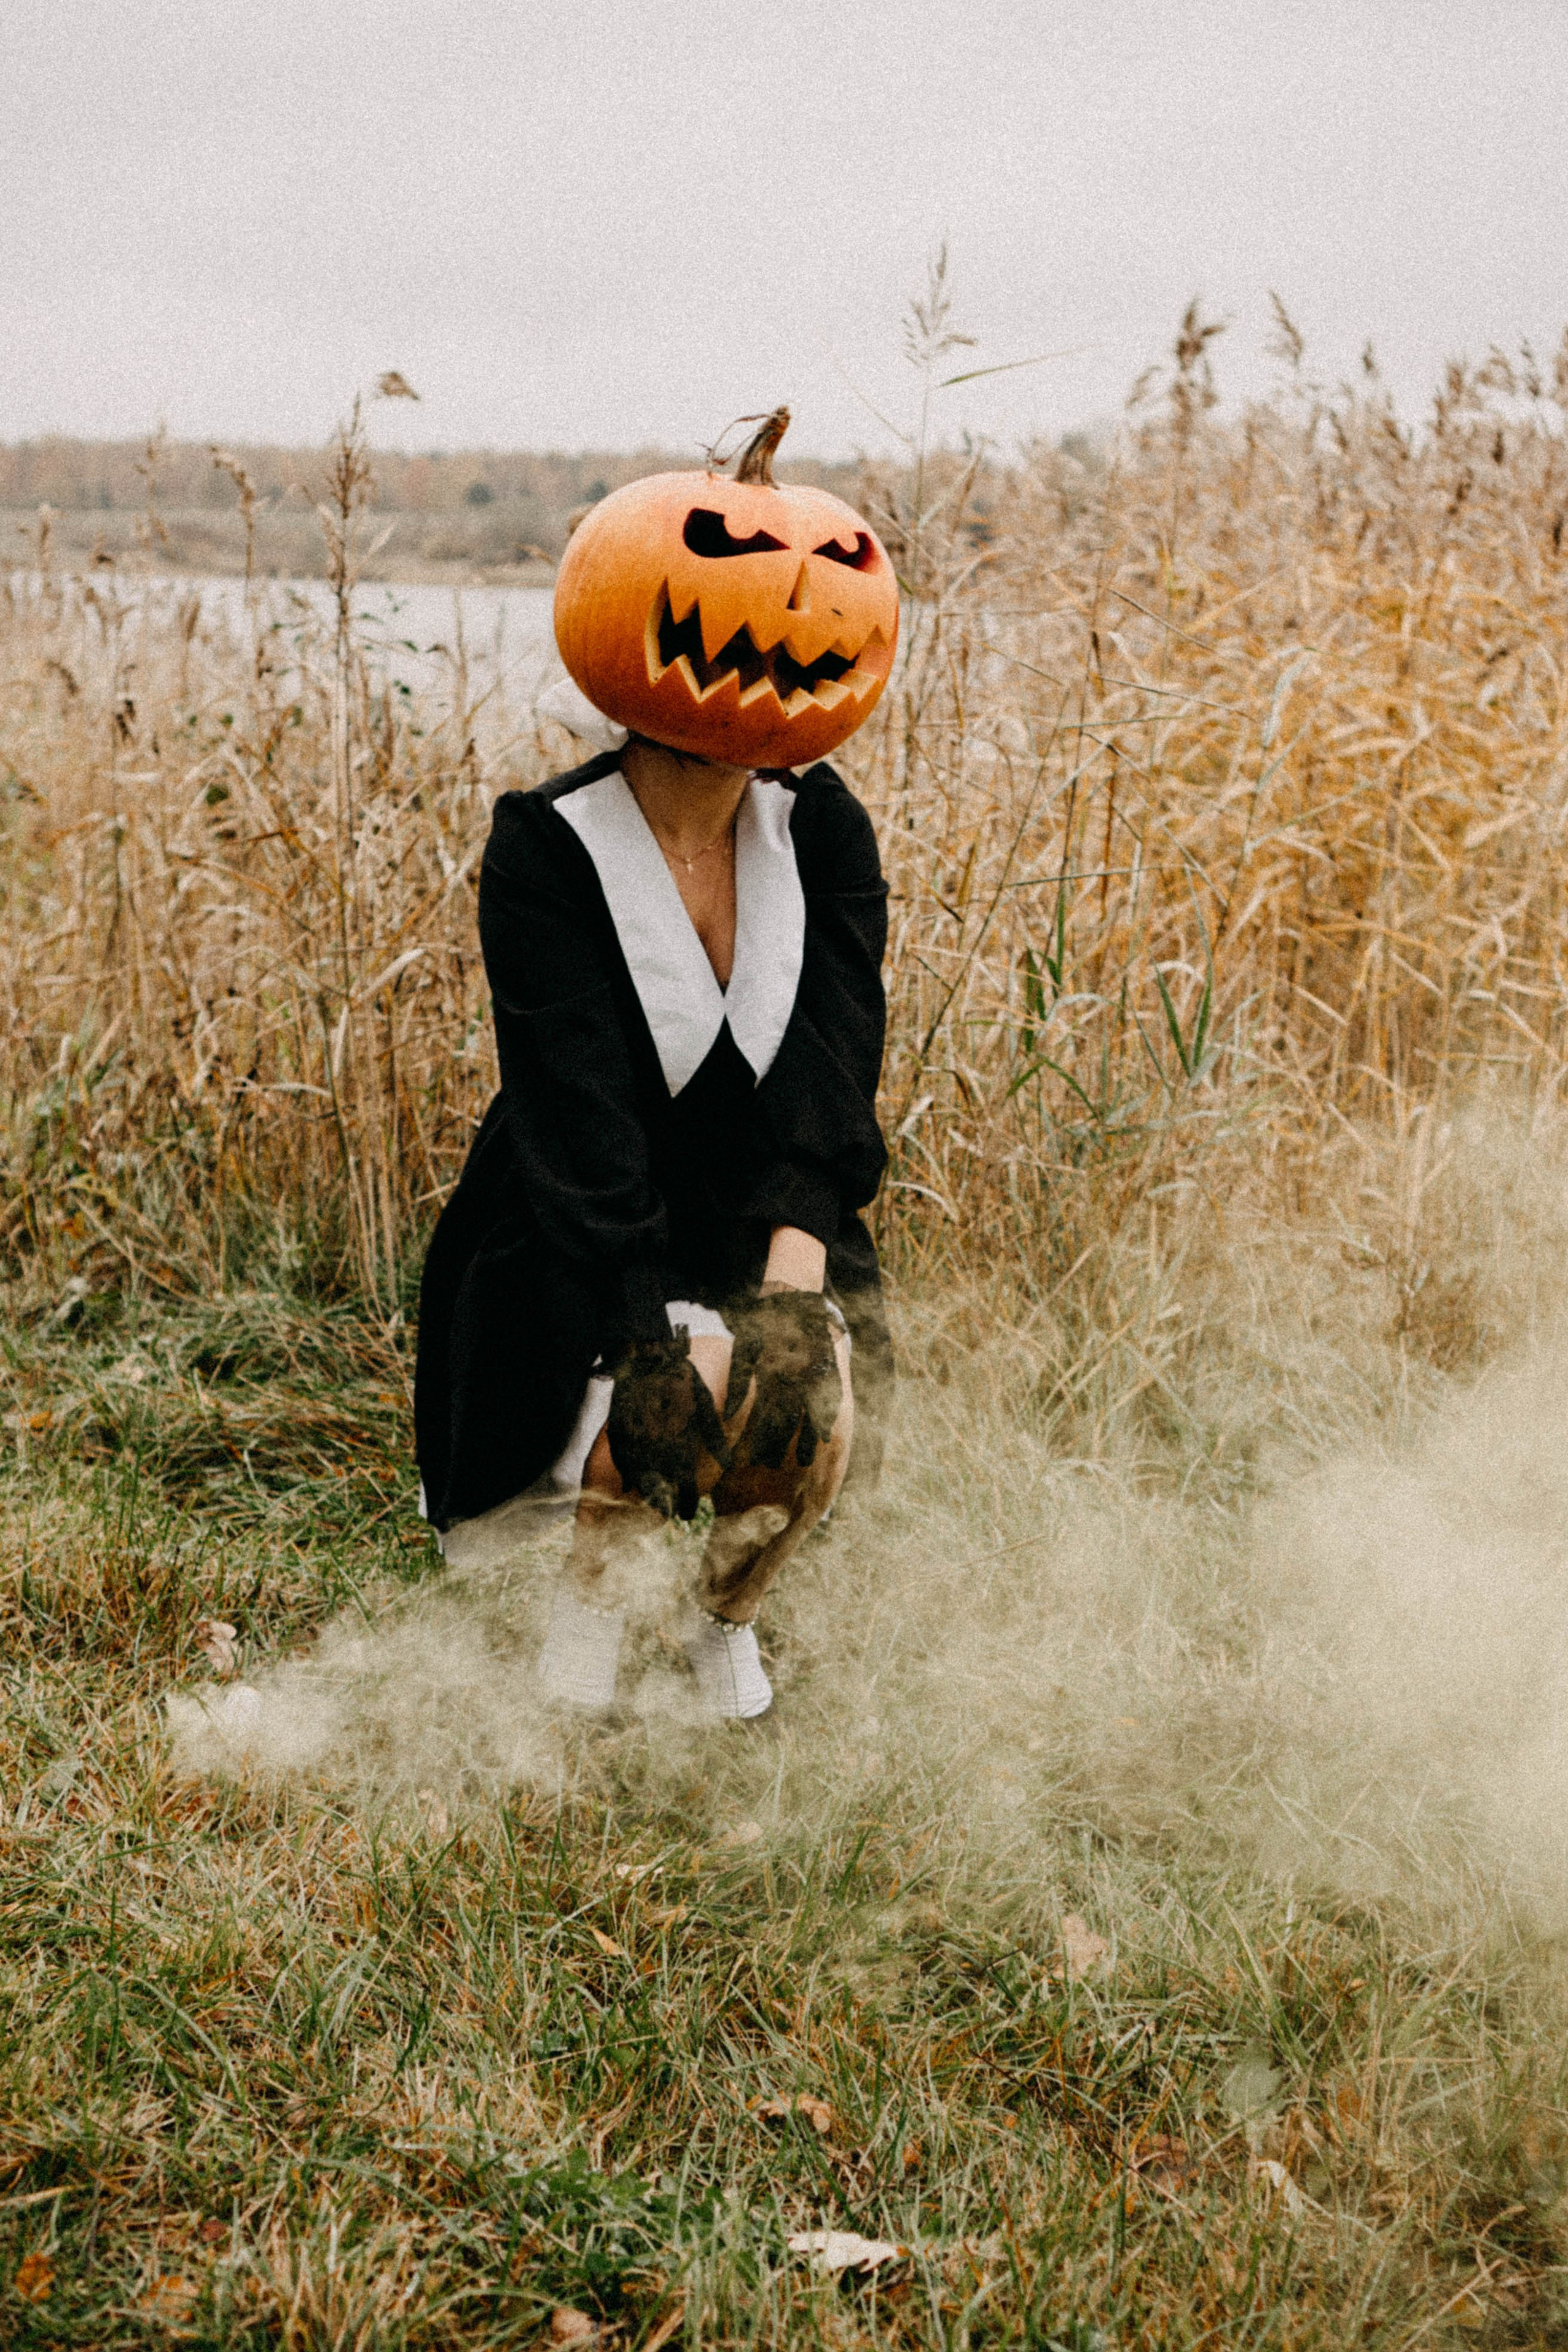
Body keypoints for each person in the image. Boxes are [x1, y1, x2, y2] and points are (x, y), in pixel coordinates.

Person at [413, 417, 895, 1720]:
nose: (782, 614)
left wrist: (793, 1304)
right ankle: (590, 1590)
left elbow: (830, 1079)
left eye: (819, 577)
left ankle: (720, 1614)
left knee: (807, 1400)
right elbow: (576, 1124)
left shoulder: (823, 830)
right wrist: (646, 1339)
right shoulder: (545, 850)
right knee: (680, 1371)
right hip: (578, 1235)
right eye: (733, 566)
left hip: (760, 1228)